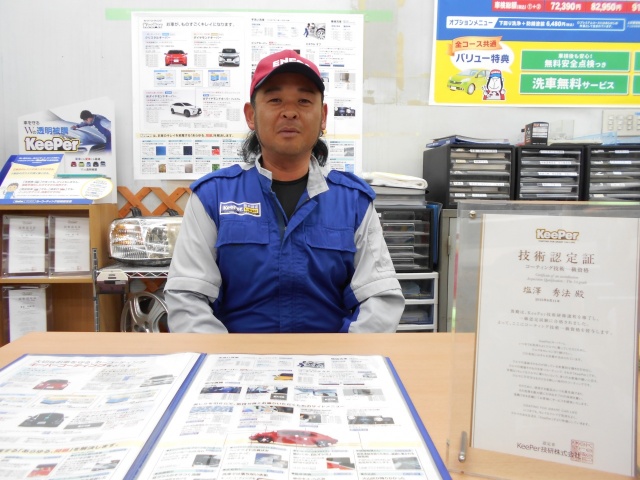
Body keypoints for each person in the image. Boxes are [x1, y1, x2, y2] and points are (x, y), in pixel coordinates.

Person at [165, 49, 404, 333]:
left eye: (304, 101)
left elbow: (380, 298)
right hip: (235, 355)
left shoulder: (353, 201)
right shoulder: (212, 197)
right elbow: (187, 297)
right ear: (251, 115)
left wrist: (343, 354)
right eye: (275, 100)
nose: (289, 112)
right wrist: (224, 356)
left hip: (329, 355)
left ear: (323, 117)